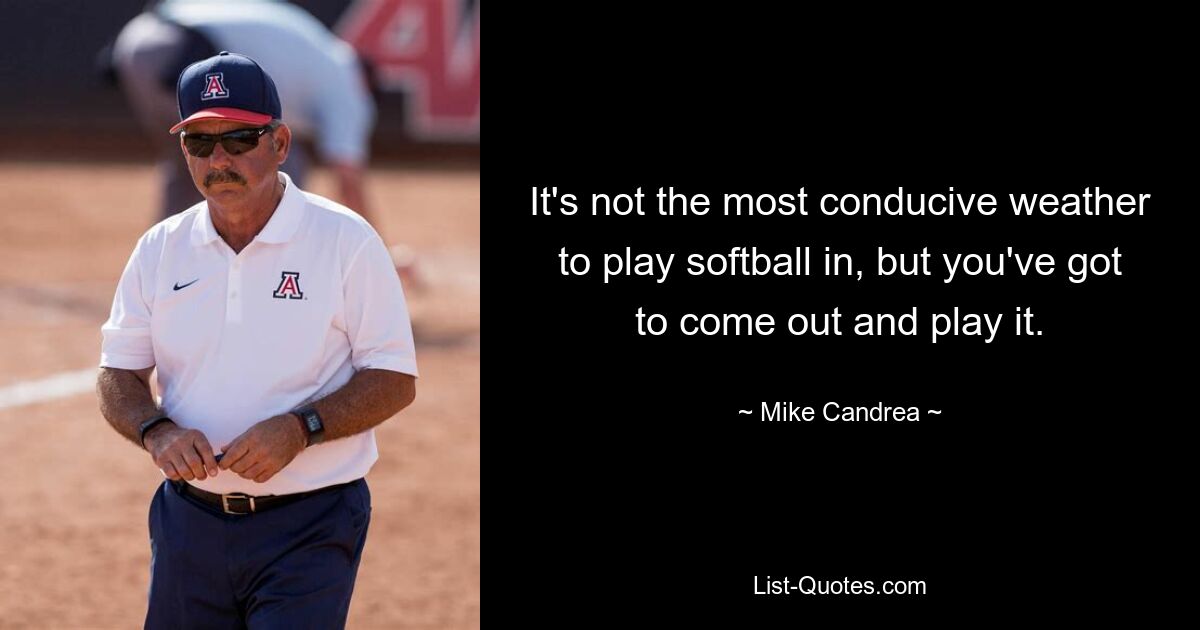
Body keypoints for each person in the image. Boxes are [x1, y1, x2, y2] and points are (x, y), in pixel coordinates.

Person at [96, 51, 418, 629]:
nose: (219, 159)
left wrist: (302, 428)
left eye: (240, 138)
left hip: (311, 525)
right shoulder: (159, 248)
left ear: (280, 142)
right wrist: (156, 430)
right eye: (200, 142)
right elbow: (117, 373)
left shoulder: (345, 240)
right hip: (187, 525)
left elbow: (393, 378)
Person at [108, 0, 425, 289]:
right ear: (366, 83)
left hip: (136, 41)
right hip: (181, 49)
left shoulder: (318, 48)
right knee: (279, 161)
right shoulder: (346, 83)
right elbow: (348, 178)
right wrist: (379, 259)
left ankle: (164, 276)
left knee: (193, 153)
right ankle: (261, 275)